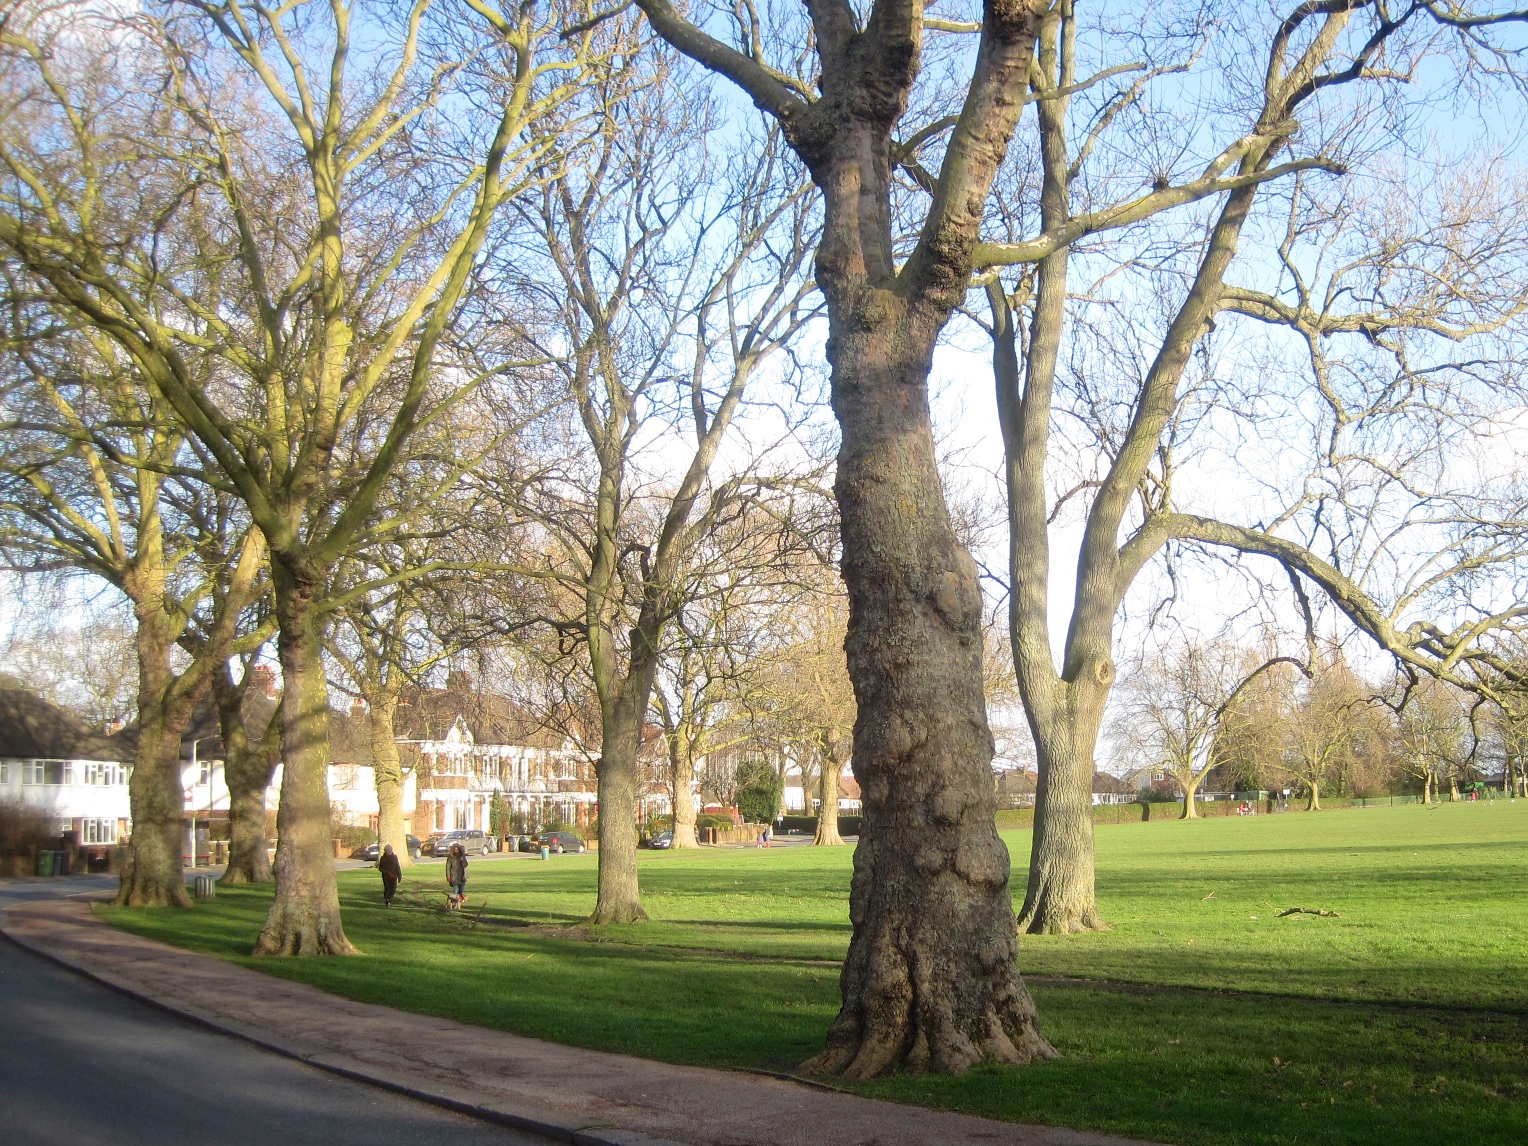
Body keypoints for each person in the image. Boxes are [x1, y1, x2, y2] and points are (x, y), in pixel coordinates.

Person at [445, 842, 468, 910]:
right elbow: (447, 868)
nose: (456, 850)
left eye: (457, 849)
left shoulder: (462, 856)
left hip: (461, 877)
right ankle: (455, 905)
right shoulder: (450, 857)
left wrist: (463, 862)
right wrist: (448, 877)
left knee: (461, 891)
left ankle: (458, 905)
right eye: (455, 849)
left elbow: (466, 864)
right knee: (455, 891)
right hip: (454, 877)